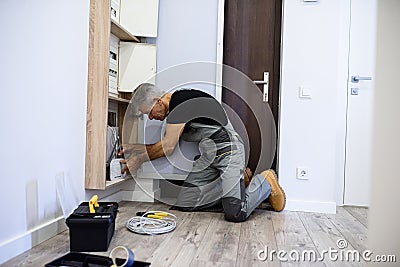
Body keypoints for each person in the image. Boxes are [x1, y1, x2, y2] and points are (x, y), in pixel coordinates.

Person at [122, 83, 286, 222]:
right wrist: (136, 148)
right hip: (209, 157)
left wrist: (139, 159)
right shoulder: (177, 107)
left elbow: (168, 146)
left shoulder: (181, 103)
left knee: (235, 212)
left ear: (157, 101)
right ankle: (240, 183)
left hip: (229, 152)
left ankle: (265, 181)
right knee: (186, 204)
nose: (150, 118)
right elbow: (166, 143)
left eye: (149, 112)